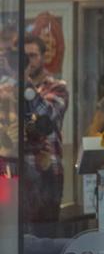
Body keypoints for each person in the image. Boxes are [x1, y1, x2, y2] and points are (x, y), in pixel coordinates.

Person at [22, 35, 69, 236]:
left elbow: (47, 116)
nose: (27, 61)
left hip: (47, 172)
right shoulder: (8, 88)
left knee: (45, 235)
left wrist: (25, 84)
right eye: (22, 57)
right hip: (18, 171)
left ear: (42, 57)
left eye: (32, 56)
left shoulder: (57, 86)